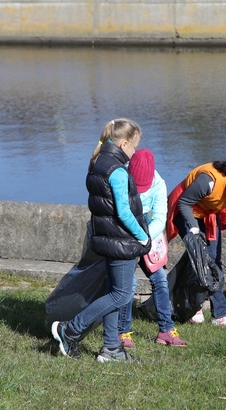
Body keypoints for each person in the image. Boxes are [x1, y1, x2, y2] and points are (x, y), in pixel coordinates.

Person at [51, 118, 151, 362]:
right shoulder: (116, 169)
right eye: (134, 146)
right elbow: (123, 212)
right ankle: (70, 329)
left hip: (108, 238)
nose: (135, 152)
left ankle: (111, 348)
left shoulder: (99, 161)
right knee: (121, 294)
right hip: (121, 240)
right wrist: (143, 236)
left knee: (115, 291)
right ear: (124, 143)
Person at [166, 159, 226, 329]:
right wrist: (194, 229)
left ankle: (219, 315)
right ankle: (194, 308)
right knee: (200, 260)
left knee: (214, 261)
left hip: (209, 212)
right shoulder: (209, 181)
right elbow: (184, 203)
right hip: (186, 210)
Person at [117, 149, 187, 348]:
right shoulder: (119, 176)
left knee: (161, 281)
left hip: (148, 236)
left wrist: (144, 238)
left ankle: (166, 330)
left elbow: (159, 218)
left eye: (143, 187)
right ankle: (123, 332)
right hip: (124, 236)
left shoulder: (158, 184)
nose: (140, 191)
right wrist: (132, 237)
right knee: (128, 285)